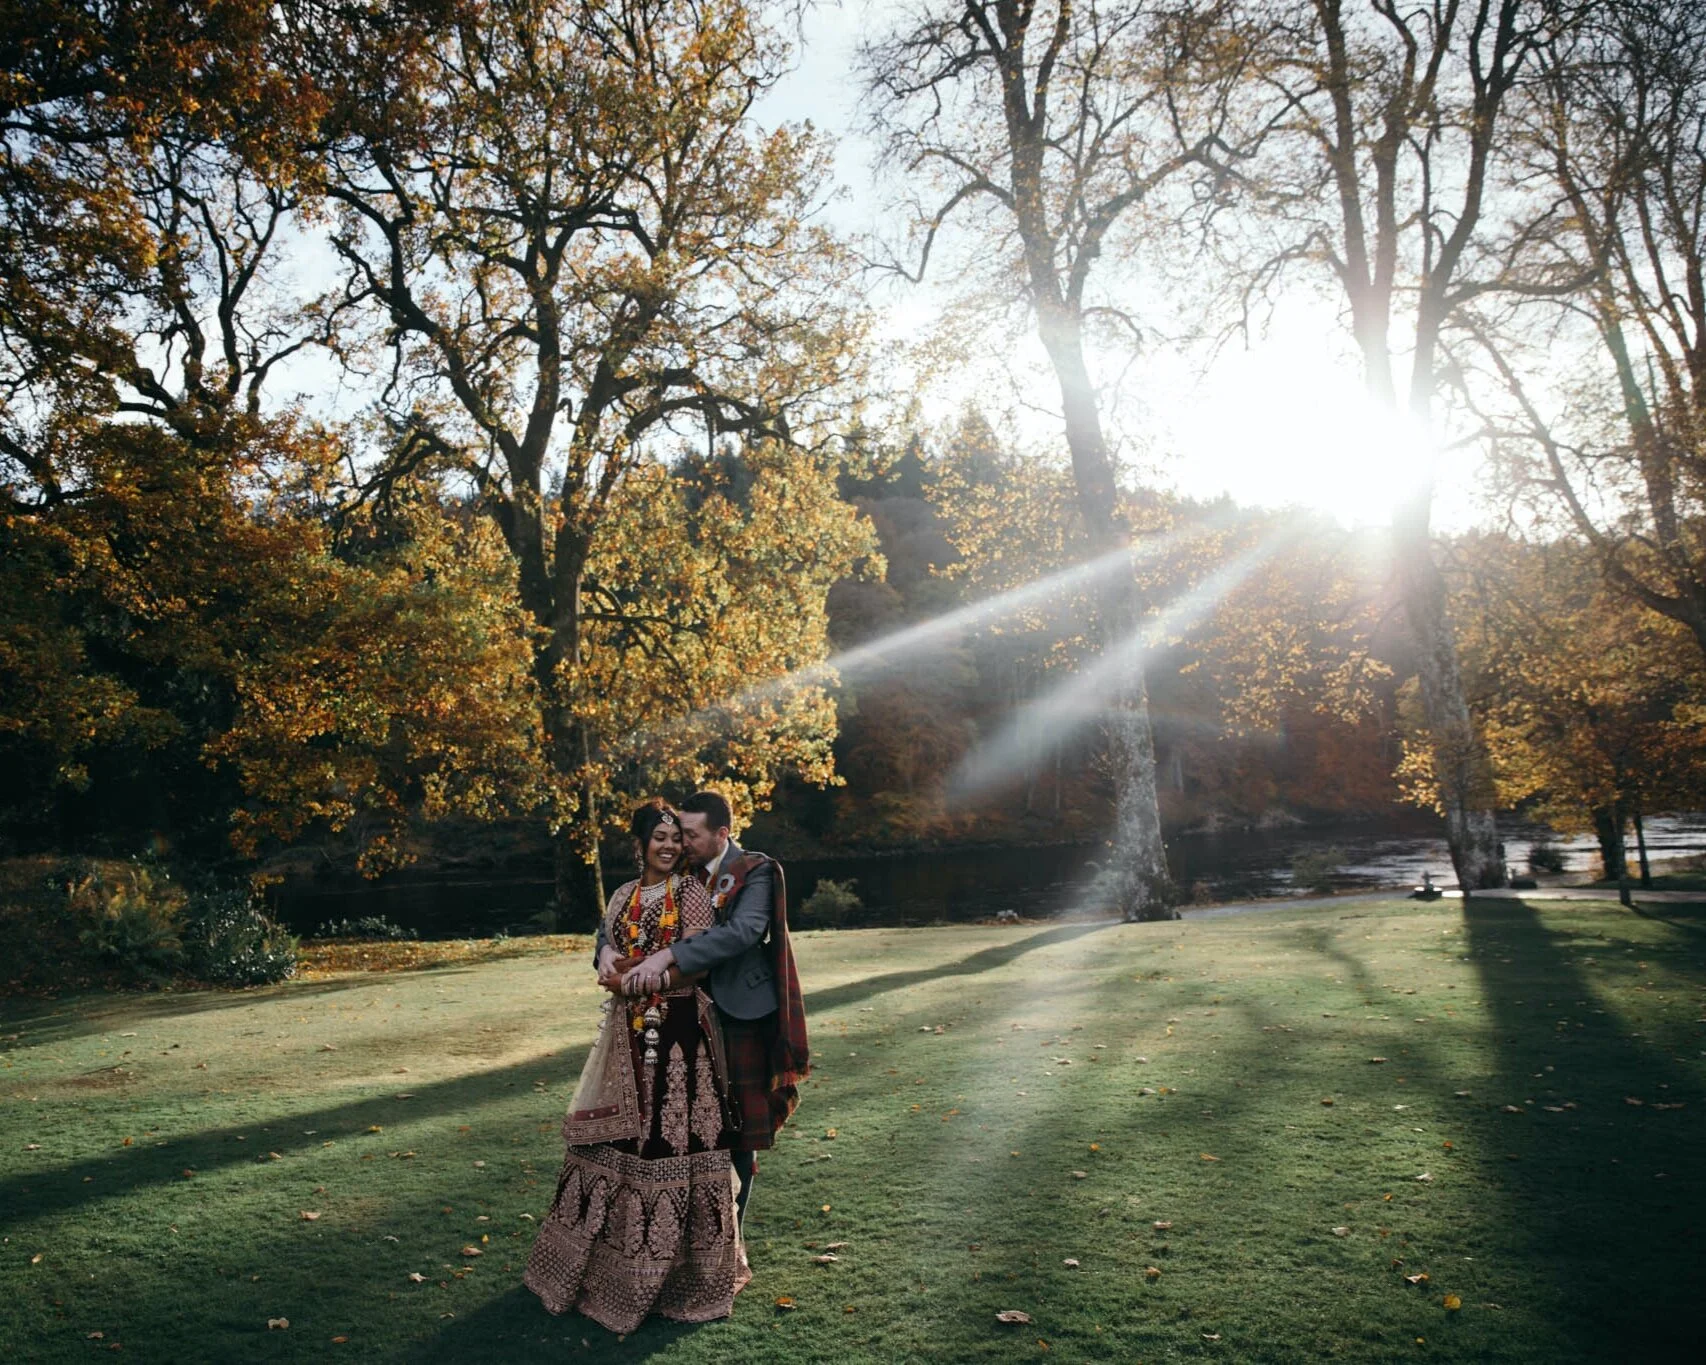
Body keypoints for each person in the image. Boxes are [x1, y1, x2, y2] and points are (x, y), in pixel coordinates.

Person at [524, 799, 749, 1333]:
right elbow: (608, 946)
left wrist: (638, 980)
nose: (669, 846)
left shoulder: (691, 893)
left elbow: (695, 966)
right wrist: (608, 958)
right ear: (640, 845)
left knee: (668, 1142)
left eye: (675, 838)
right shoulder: (623, 894)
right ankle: (600, 1265)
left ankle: (680, 1277)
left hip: (679, 1039)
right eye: (659, 838)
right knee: (613, 1141)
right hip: (625, 1036)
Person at [608, 789, 808, 1231]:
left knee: (740, 1131)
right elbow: (626, 915)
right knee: (691, 1130)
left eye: (691, 835)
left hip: (739, 1015)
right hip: (681, 1018)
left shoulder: (755, 870)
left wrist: (668, 955)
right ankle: (692, 1234)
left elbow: (742, 932)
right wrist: (604, 950)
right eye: (679, 833)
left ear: (722, 833)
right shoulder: (679, 872)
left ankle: (733, 1238)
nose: (682, 842)